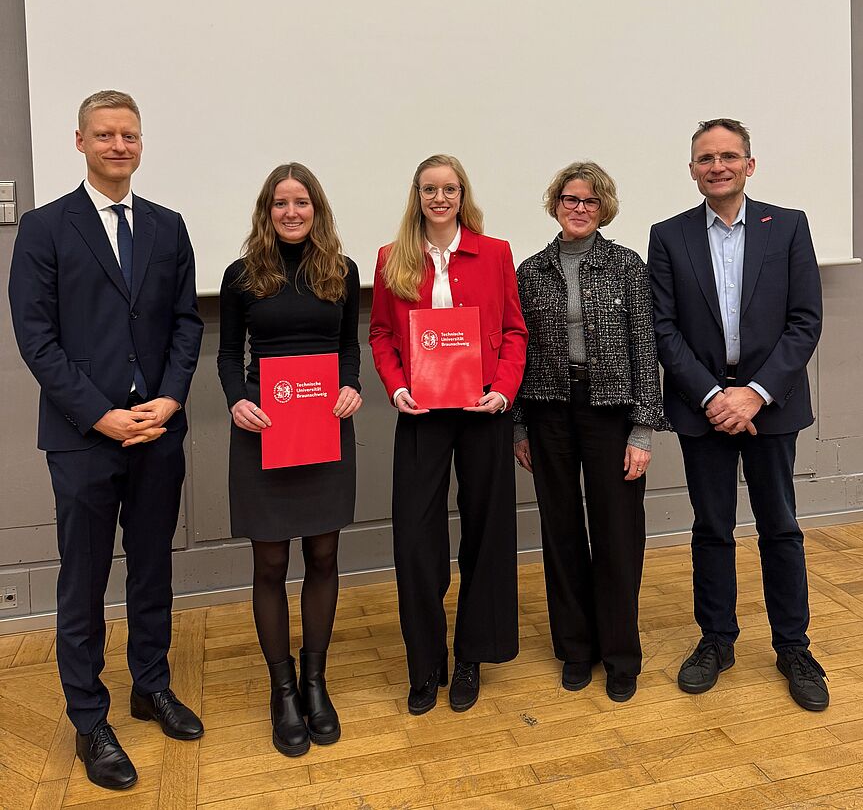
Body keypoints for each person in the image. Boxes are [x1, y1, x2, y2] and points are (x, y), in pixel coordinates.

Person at [7, 90, 204, 790]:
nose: (119, 145)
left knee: (152, 568)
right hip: (82, 439)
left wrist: (170, 398)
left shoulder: (168, 226)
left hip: (157, 430)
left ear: (141, 144)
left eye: (130, 135)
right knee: (84, 581)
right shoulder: (44, 228)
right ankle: (89, 718)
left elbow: (187, 322)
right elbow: (36, 338)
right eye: (105, 134)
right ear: (80, 142)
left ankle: (151, 685)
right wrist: (100, 415)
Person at [648, 118, 827, 711]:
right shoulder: (668, 236)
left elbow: (805, 322)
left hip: (770, 406)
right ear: (692, 170)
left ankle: (793, 647)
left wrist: (754, 393)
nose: (717, 166)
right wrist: (712, 396)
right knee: (712, 528)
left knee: (780, 527)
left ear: (749, 165)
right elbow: (664, 330)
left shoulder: (789, 226)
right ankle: (717, 640)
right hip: (702, 407)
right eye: (705, 158)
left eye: (728, 156)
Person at [369, 154, 528, 715]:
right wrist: (395, 387)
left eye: (450, 189)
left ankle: (470, 657)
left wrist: (503, 390)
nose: (440, 198)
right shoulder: (391, 258)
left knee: (486, 533)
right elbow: (381, 334)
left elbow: (514, 331)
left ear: (463, 195)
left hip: (484, 409)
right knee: (416, 539)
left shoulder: (495, 253)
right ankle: (425, 662)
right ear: (416, 195)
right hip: (420, 413)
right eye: (430, 189)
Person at [217, 163, 361, 756]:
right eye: (281, 203)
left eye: (302, 202)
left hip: (325, 428)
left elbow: (348, 346)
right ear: (267, 211)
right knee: (271, 563)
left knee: (324, 556)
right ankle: (282, 692)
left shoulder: (341, 271)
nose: (292, 212)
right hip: (264, 430)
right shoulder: (242, 275)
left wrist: (351, 385)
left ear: (316, 209)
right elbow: (228, 353)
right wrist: (236, 400)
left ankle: (314, 682)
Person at [513, 161, 666, 702]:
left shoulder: (626, 265)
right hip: (548, 411)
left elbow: (646, 348)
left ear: (605, 208)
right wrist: (518, 425)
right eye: (570, 199)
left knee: (618, 534)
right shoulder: (530, 271)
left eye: (590, 201)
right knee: (561, 531)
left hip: (611, 412)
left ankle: (621, 655)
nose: (579, 208)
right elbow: (517, 351)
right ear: (555, 204)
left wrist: (643, 429)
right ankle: (576, 649)